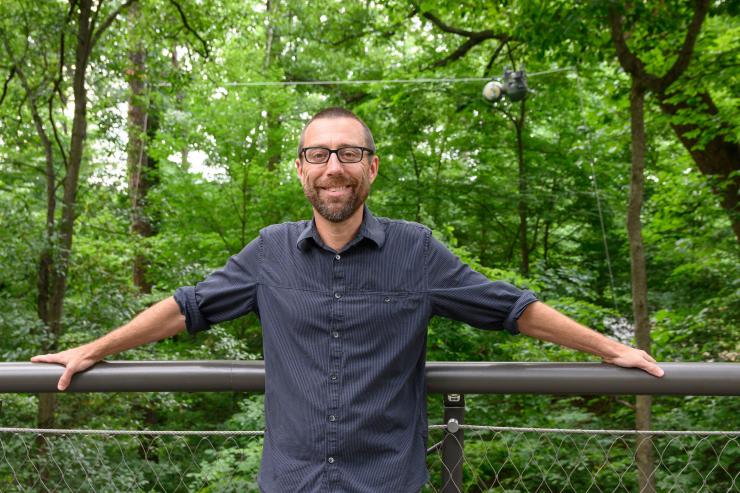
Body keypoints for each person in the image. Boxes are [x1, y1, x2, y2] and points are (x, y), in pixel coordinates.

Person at [32, 107, 664, 493]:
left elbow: (512, 309)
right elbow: (185, 306)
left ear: (372, 167)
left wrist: (611, 348)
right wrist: (94, 348)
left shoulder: (417, 251)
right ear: (301, 170)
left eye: (349, 153)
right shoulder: (269, 251)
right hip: (291, 482)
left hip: (385, 482)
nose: (333, 166)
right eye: (318, 154)